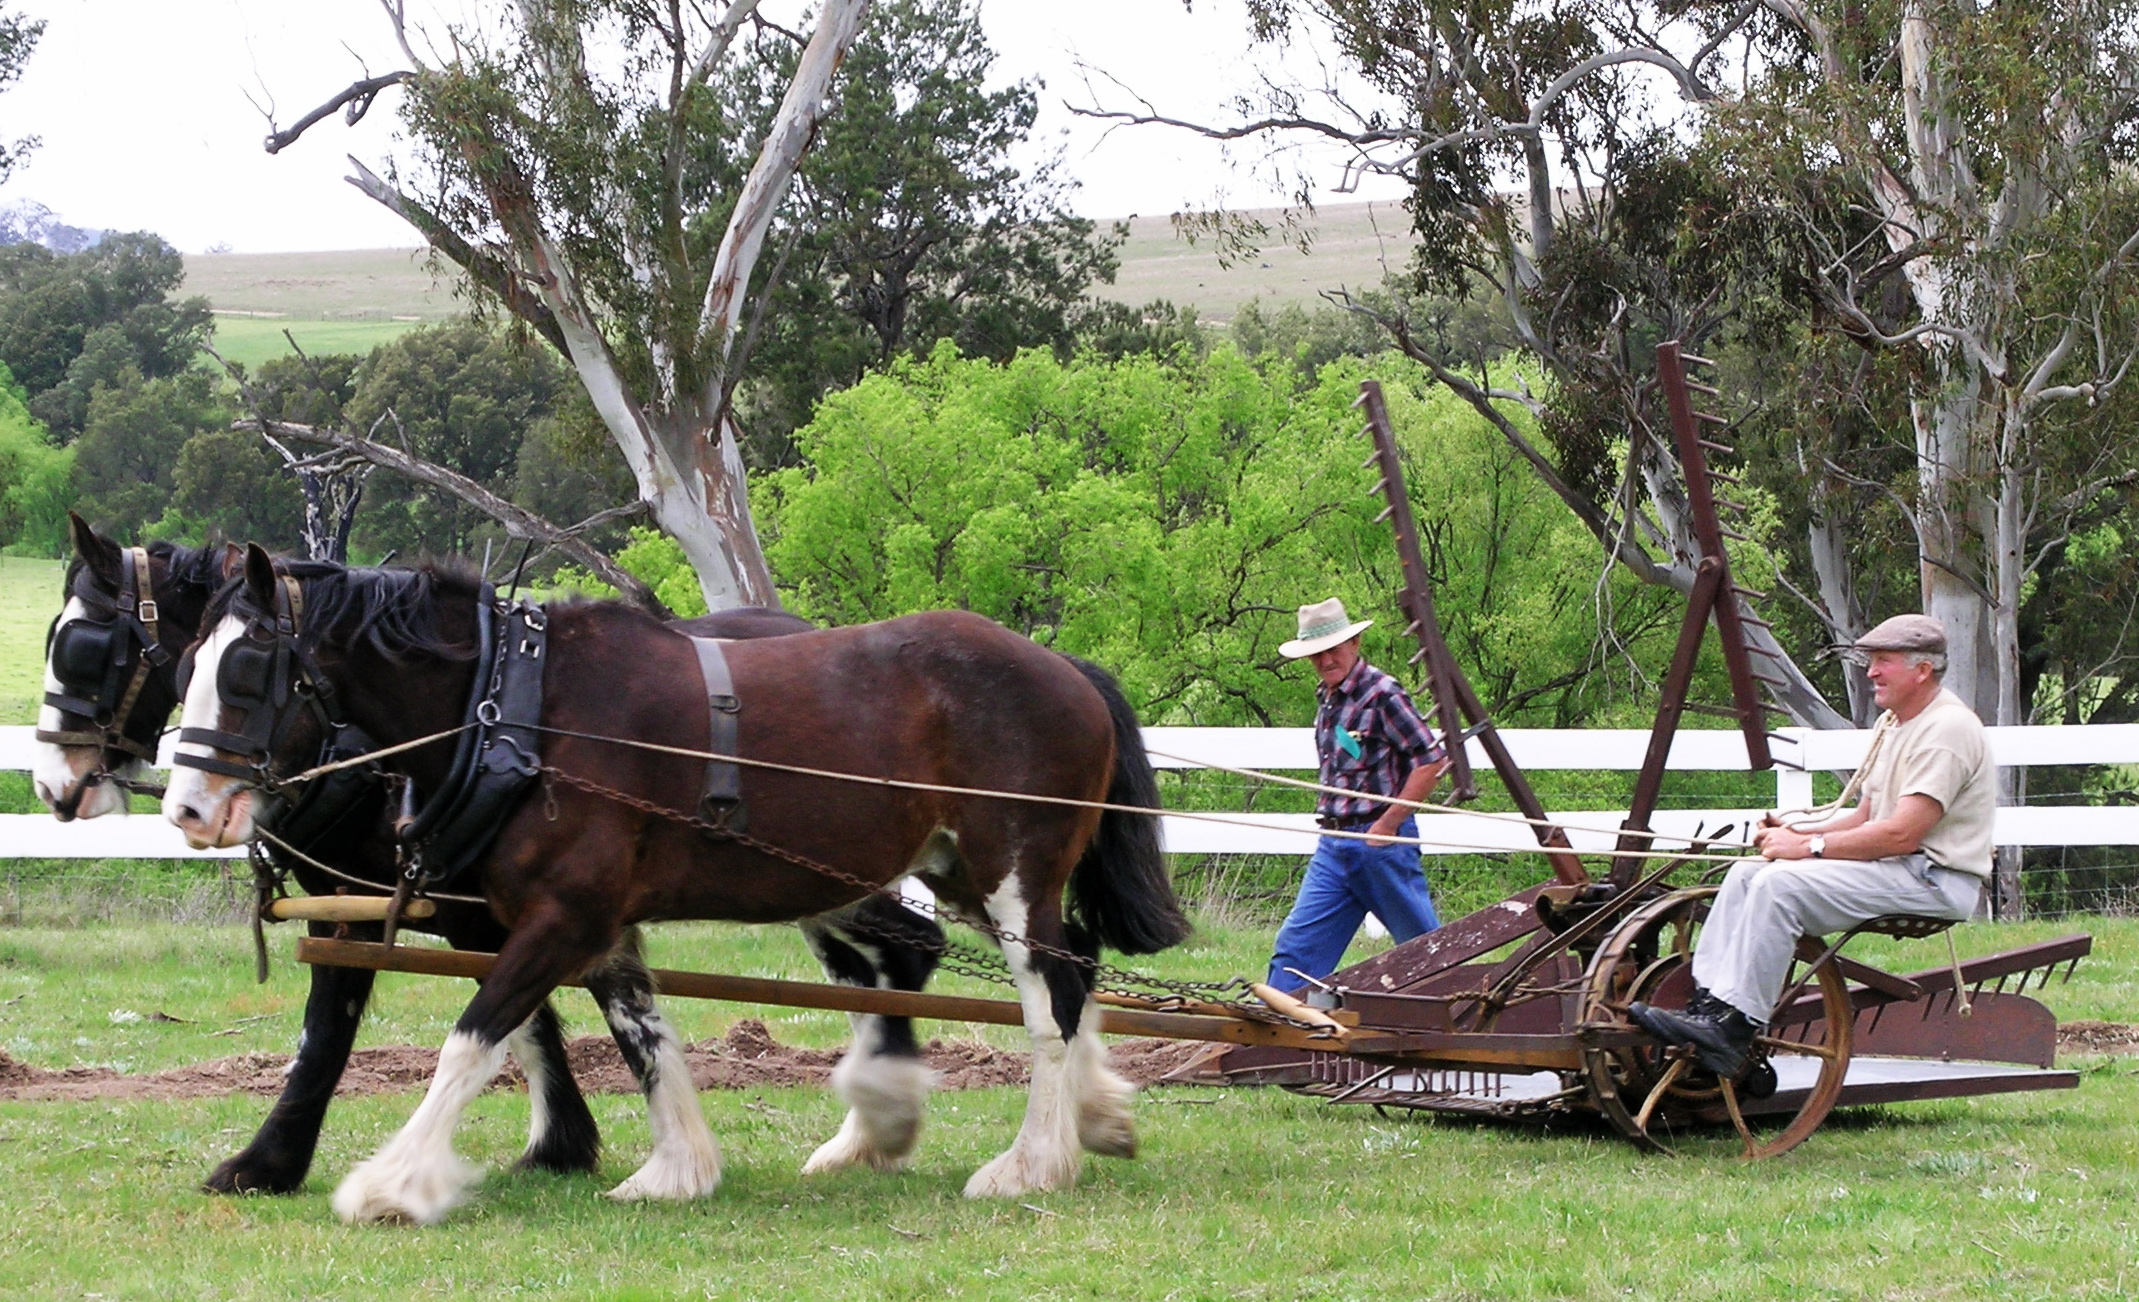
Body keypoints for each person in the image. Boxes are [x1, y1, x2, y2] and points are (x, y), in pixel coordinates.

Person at [1629, 613, 1993, 1077]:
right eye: (1871, 661)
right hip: (1899, 868)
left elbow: (1902, 834)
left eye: (1884, 661)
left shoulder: (1947, 730)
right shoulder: (1897, 723)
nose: (1871, 672)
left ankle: (1733, 1029)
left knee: (1779, 886)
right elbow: (1866, 817)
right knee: (1746, 874)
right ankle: (1706, 1008)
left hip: (1932, 880)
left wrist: (1808, 848)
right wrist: (1795, 834)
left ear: (1922, 671)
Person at [1265, 597, 1450, 989]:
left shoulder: (1382, 693)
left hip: (1381, 845)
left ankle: (1459, 1020)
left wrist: (1387, 826)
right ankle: (1275, 1034)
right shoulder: (1327, 699)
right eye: (1315, 654)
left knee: (1424, 950)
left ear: (1354, 644)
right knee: (1296, 949)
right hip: (1334, 845)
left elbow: (1431, 762)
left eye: (1332, 649)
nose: (1325, 660)